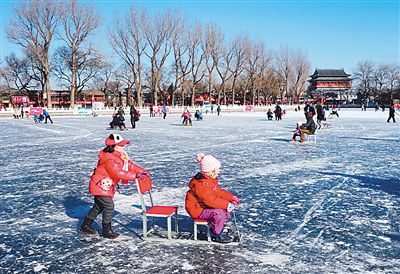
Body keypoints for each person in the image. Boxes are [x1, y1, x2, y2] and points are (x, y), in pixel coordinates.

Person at [80, 134, 149, 239]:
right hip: (100, 186)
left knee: (98, 207)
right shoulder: (109, 158)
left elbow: (129, 165)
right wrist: (134, 176)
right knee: (108, 206)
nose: (124, 147)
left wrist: (142, 171)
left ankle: (85, 225)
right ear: (115, 146)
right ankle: (106, 231)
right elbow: (117, 173)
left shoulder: (119, 155)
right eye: (121, 145)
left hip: (105, 185)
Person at [185, 153, 240, 243]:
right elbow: (210, 200)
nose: (219, 171)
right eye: (217, 169)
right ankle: (216, 234)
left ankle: (219, 226)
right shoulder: (202, 184)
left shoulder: (210, 181)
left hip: (204, 207)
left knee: (225, 210)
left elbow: (219, 192)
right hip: (197, 210)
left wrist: (231, 198)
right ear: (211, 171)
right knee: (218, 213)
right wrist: (226, 204)